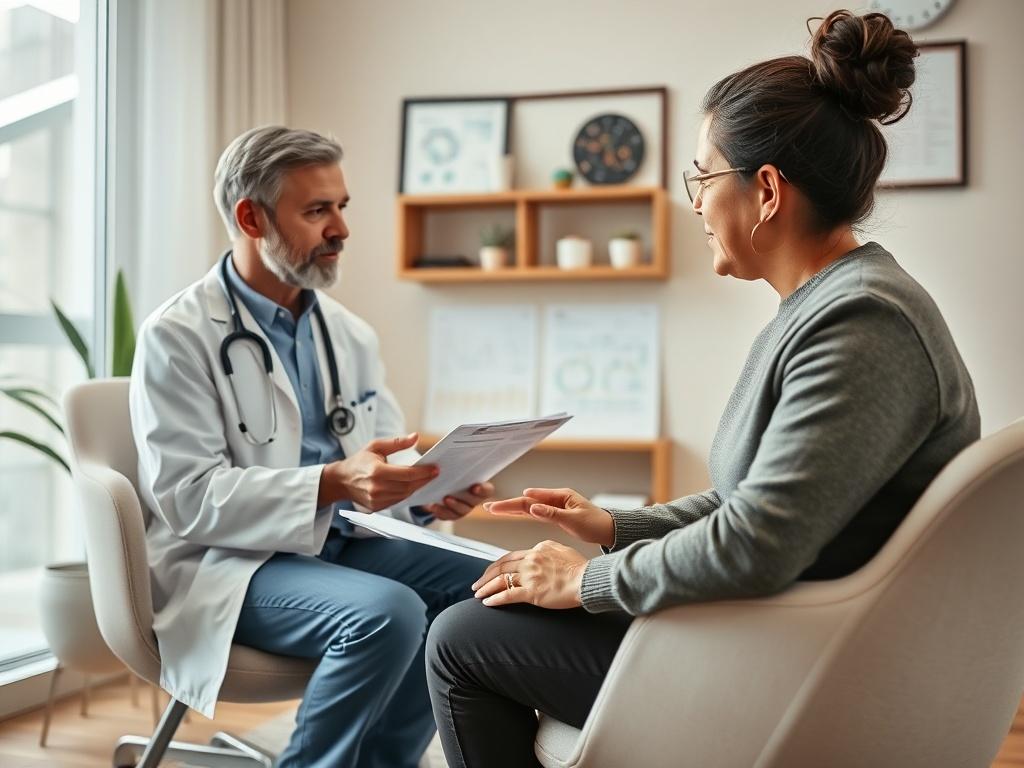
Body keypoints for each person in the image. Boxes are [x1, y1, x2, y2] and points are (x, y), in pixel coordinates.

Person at [424, 10, 981, 767]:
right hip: (780, 626)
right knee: (478, 616)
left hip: (801, 661)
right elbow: (753, 502)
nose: (693, 202)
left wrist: (586, 579)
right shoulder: (830, 306)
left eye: (702, 175)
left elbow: (757, 545)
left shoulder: (861, 321)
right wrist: (615, 528)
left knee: (463, 639)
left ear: (767, 191)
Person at [129, 126, 492, 768]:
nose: (341, 228)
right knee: (388, 614)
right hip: (230, 562)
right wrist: (333, 482)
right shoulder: (177, 336)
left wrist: (431, 493)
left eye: (342, 207)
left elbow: (376, 459)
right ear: (251, 217)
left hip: (346, 543)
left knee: (486, 587)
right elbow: (187, 499)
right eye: (317, 210)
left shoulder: (348, 334)